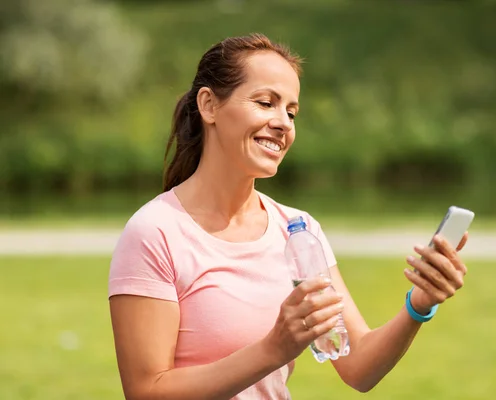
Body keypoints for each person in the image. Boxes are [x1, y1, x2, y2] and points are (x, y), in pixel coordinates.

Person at [108, 33, 469, 400]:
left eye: (291, 112)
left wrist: (419, 304)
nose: (283, 123)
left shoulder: (298, 230)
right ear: (209, 105)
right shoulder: (155, 232)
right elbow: (146, 391)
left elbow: (358, 366)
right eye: (266, 103)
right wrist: (273, 349)